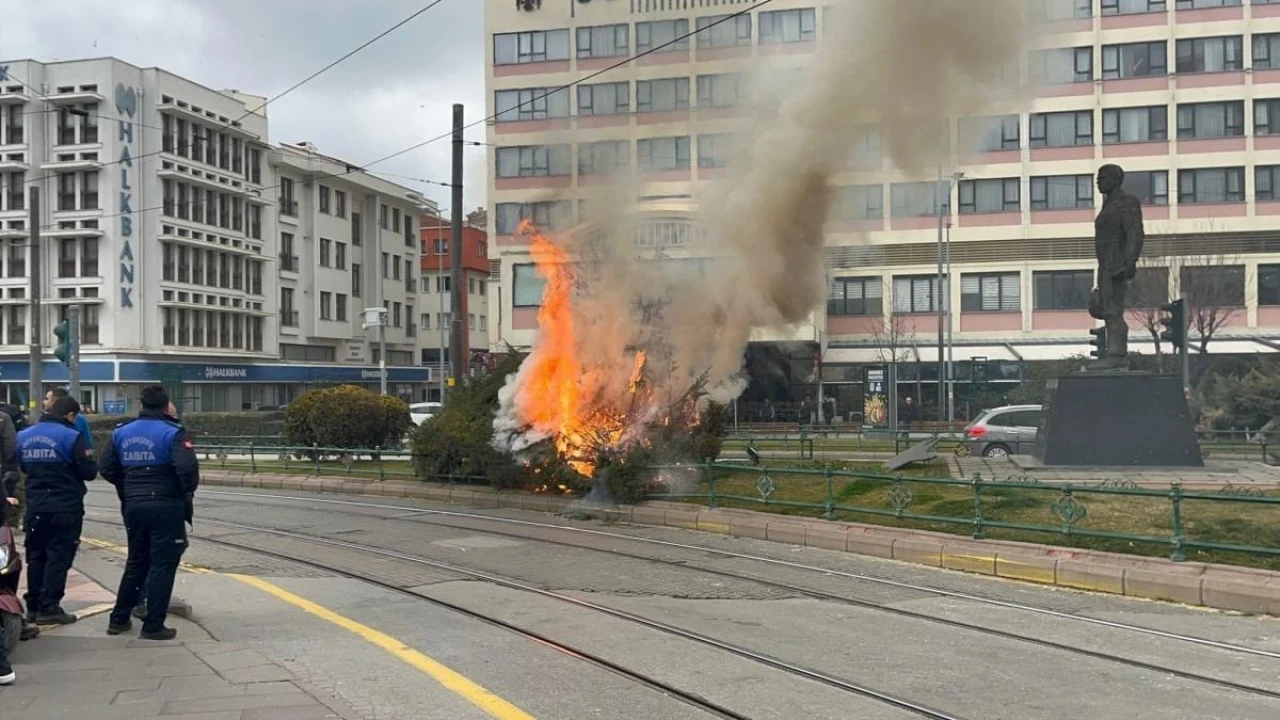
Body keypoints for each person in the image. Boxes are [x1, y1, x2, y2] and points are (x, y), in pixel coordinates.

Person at [101, 386, 198, 641]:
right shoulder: (173, 432)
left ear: (141, 405)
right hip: (166, 504)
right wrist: (182, 491)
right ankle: (153, 624)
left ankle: (119, 618)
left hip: (133, 505)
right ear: (167, 406)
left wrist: (128, 487)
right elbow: (187, 470)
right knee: (162, 564)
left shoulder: (121, 432)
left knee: (136, 561)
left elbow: (107, 467)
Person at [18, 396, 98, 626]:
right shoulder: (72, 436)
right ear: (71, 415)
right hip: (65, 505)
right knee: (58, 556)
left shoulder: (25, 435)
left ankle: (32, 605)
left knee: (36, 555)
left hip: (35, 504)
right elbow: (88, 471)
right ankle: (49, 605)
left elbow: (22, 466)